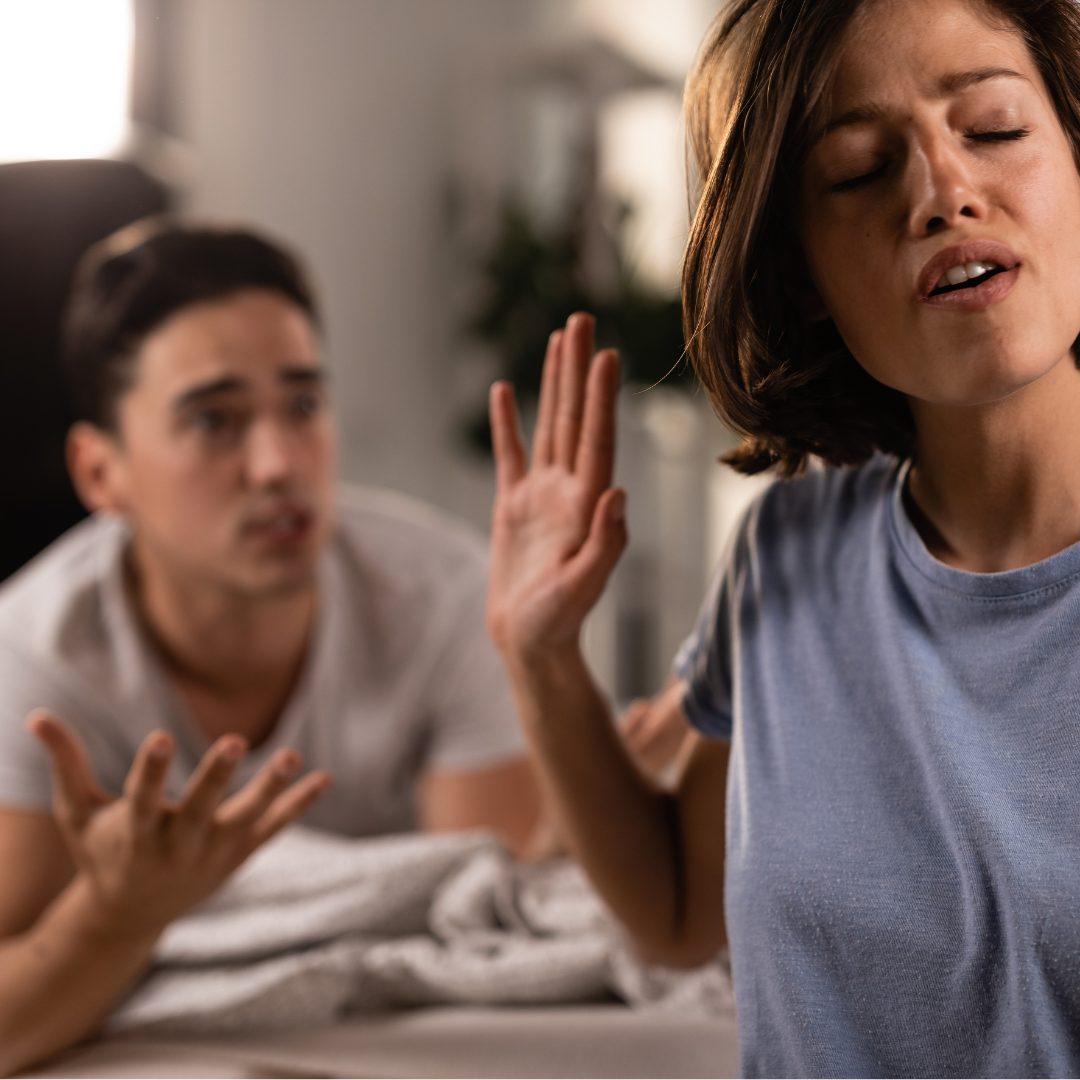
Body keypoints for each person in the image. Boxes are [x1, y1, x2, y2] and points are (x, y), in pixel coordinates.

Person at [485, 0, 1080, 1074]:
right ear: (799, 276)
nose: (947, 192)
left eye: (993, 127)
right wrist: (542, 661)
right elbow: (673, 912)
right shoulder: (787, 556)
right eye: (859, 170)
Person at [0, 217, 541, 1074]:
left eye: (303, 404)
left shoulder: (441, 596)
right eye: (215, 422)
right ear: (103, 473)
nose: (278, 463)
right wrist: (116, 915)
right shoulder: (35, 655)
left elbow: (496, 935)